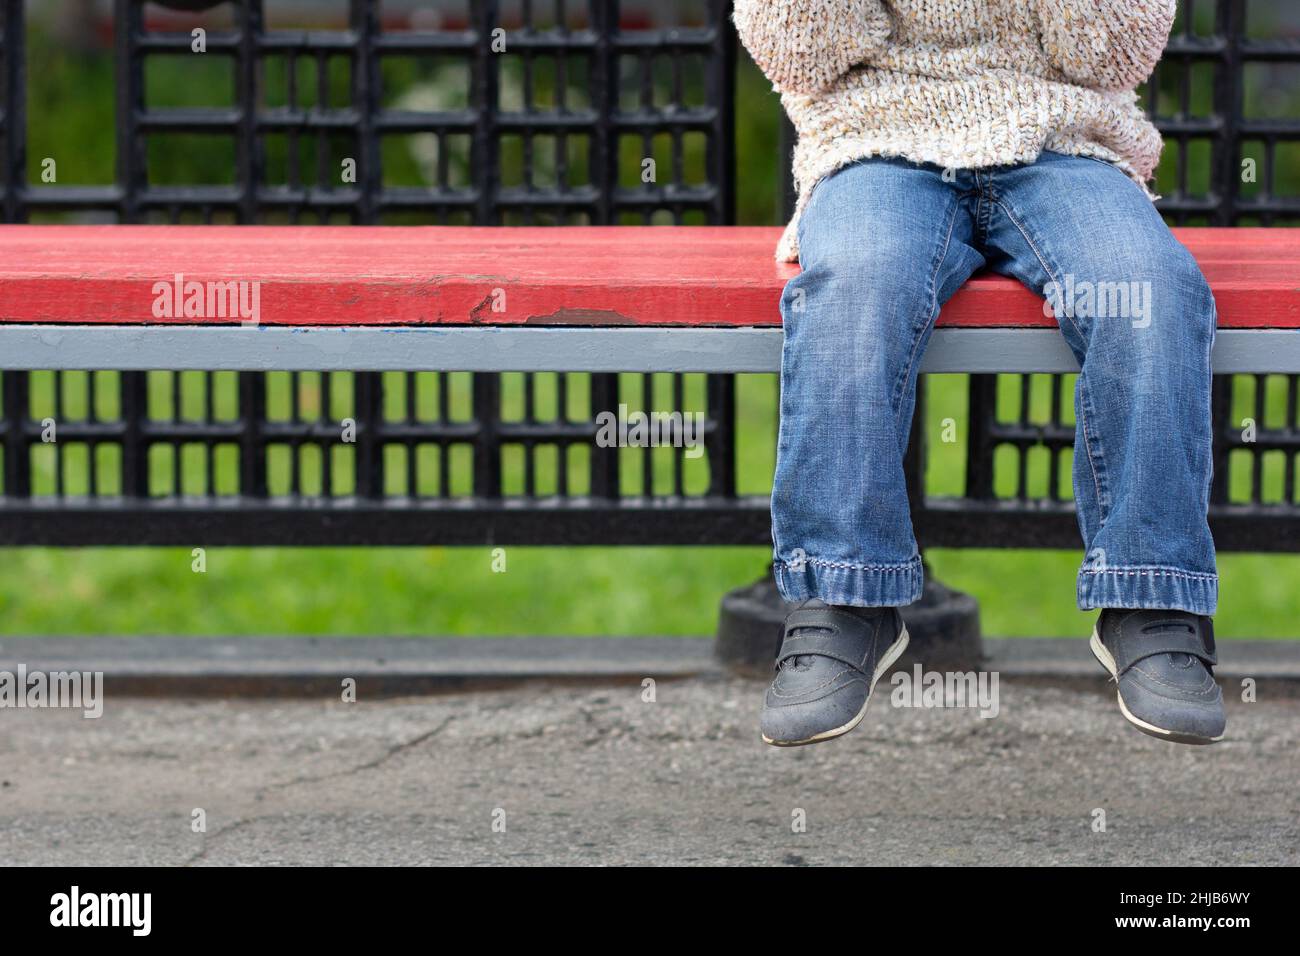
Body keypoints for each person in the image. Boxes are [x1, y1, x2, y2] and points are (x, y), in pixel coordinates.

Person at [736, 0, 1225, 746]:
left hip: (1066, 148)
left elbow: (1114, 56)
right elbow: (801, 56)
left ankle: (1152, 595)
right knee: (857, 288)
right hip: (876, 143)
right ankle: (842, 596)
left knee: (1151, 292)